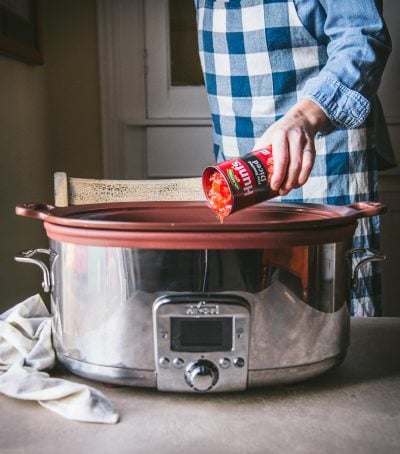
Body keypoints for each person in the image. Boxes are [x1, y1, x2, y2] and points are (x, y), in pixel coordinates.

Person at [194, 0, 395, 316]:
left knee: (330, 314)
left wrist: (304, 117)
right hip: (239, 170)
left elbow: (363, 38)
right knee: (255, 313)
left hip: (324, 158)